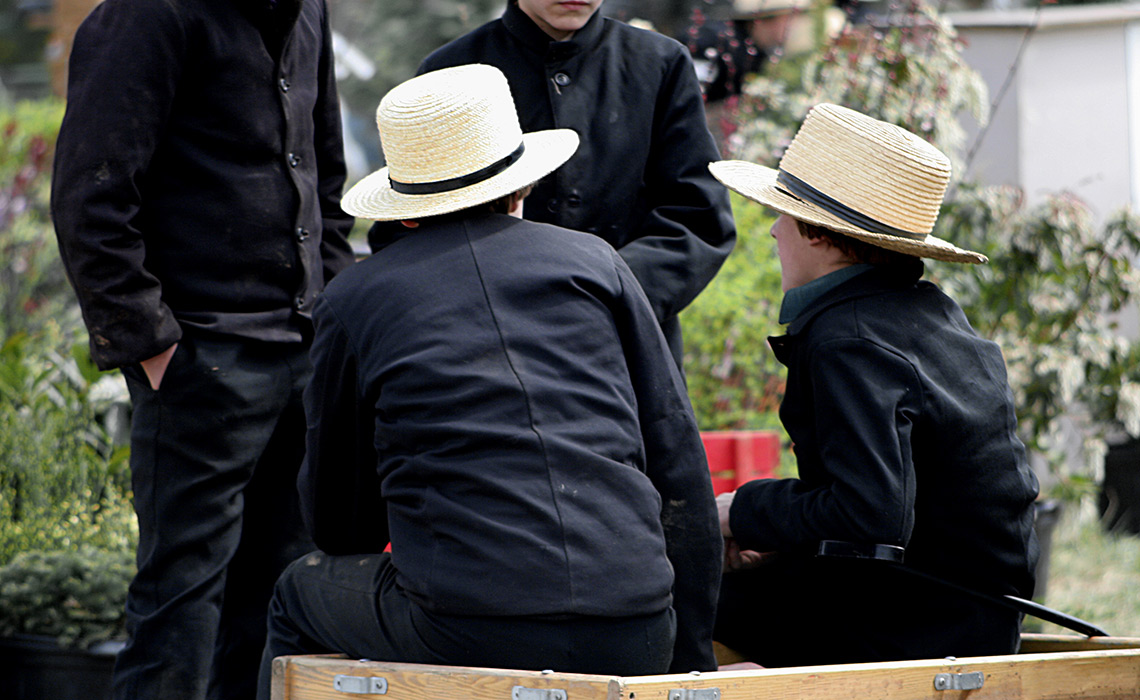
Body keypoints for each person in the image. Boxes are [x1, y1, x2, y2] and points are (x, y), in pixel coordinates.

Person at [256, 64, 723, 698]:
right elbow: (678, 463)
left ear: (408, 209)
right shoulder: (596, 265)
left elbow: (341, 523)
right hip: (638, 625)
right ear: (521, 184)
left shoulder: (356, 298)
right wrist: (688, 661)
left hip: (465, 625)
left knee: (297, 591)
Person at [50, 0, 356, 697]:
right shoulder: (148, 14)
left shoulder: (310, 10)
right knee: (177, 612)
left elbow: (325, 178)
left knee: (280, 600)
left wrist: (334, 316)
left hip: (303, 348)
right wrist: (155, 346)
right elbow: (89, 195)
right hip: (202, 362)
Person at [707, 103, 1040, 667]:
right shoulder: (925, 309)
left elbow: (870, 515)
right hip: (974, 610)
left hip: (913, 625)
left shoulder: (848, 339)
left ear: (819, 234)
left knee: (673, 604)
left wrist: (740, 510)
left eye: (783, 215)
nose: (772, 228)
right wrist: (784, 538)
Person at [368, 0, 737, 372]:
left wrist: (603, 296)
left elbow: (699, 217)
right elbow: (407, 225)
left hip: (625, 353)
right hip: (485, 357)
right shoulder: (450, 73)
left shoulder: (658, 63)